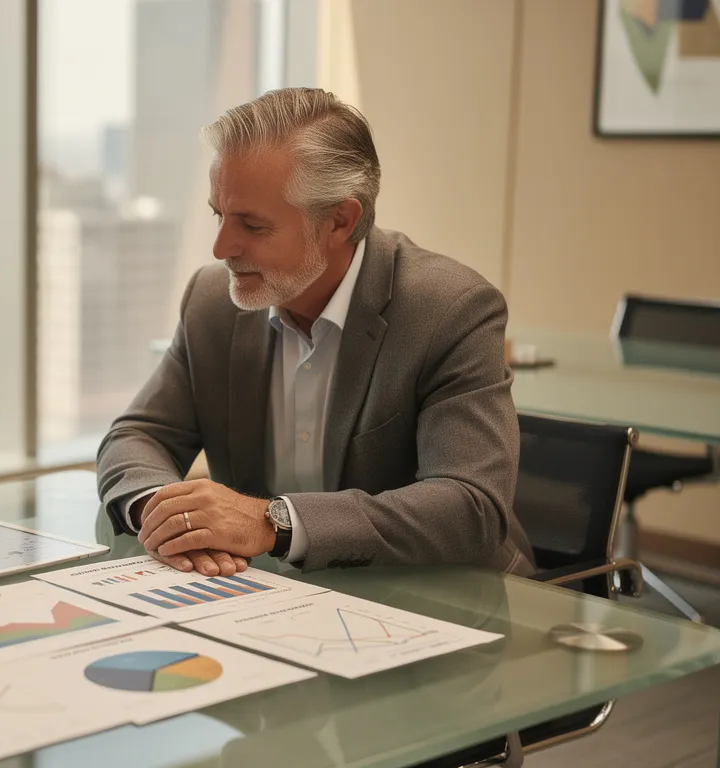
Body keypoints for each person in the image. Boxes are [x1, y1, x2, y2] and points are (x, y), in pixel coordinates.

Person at [97, 88, 533, 578]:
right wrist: (167, 515)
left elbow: (471, 508)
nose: (221, 248)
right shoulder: (212, 302)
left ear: (339, 221)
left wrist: (273, 523)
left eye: (252, 225)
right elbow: (138, 435)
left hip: (443, 600)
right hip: (271, 598)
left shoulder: (449, 309)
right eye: (219, 215)